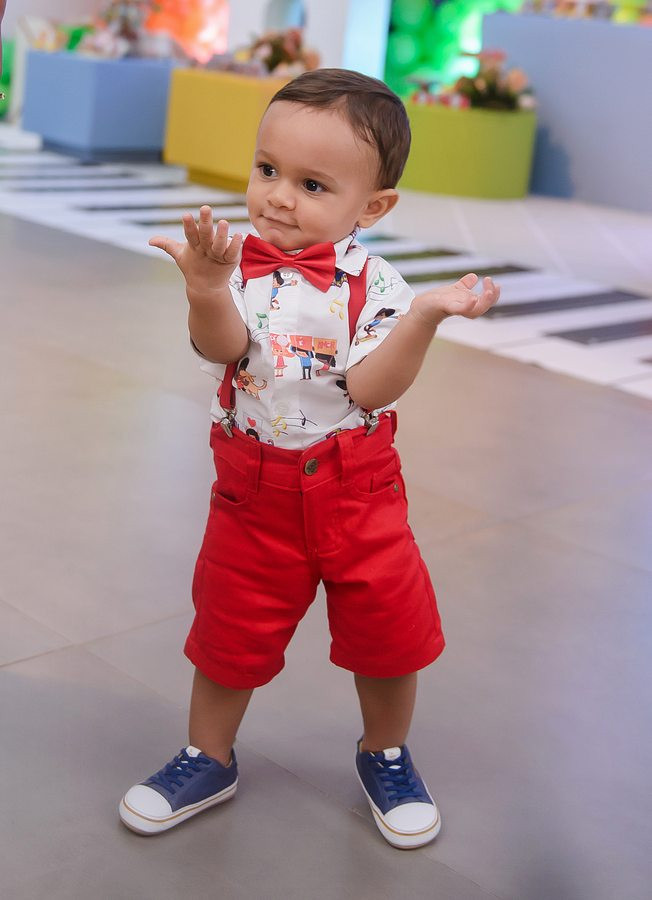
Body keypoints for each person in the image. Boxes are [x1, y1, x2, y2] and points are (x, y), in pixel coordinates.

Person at [119, 68, 499, 849]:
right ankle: (208, 755)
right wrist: (206, 290)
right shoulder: (236, 264)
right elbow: (223, 348)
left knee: (389, 632)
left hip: (358, 489)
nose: (279, 197)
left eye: (312, 184)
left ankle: (384, 753)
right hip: (252, 490)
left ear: (373, 207)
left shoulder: (377, 285)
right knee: (228, 629)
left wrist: (423, 317)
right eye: (267, 169)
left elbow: (368, 387)